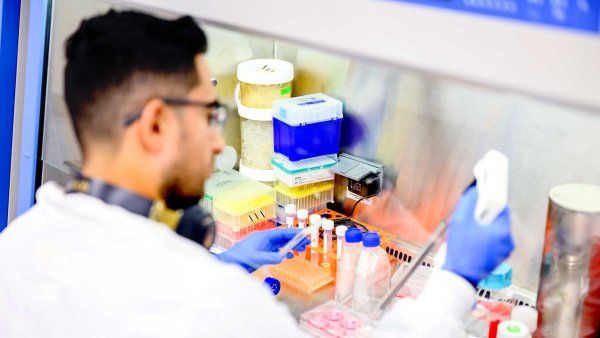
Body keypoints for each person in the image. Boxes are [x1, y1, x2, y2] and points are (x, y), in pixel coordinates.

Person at [0, 10, 514, 337]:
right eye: (209, 115)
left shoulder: (17, 245)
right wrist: (455, 281)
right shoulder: (204, 303)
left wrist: (223, 268)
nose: (220, 140)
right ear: (155, 123)